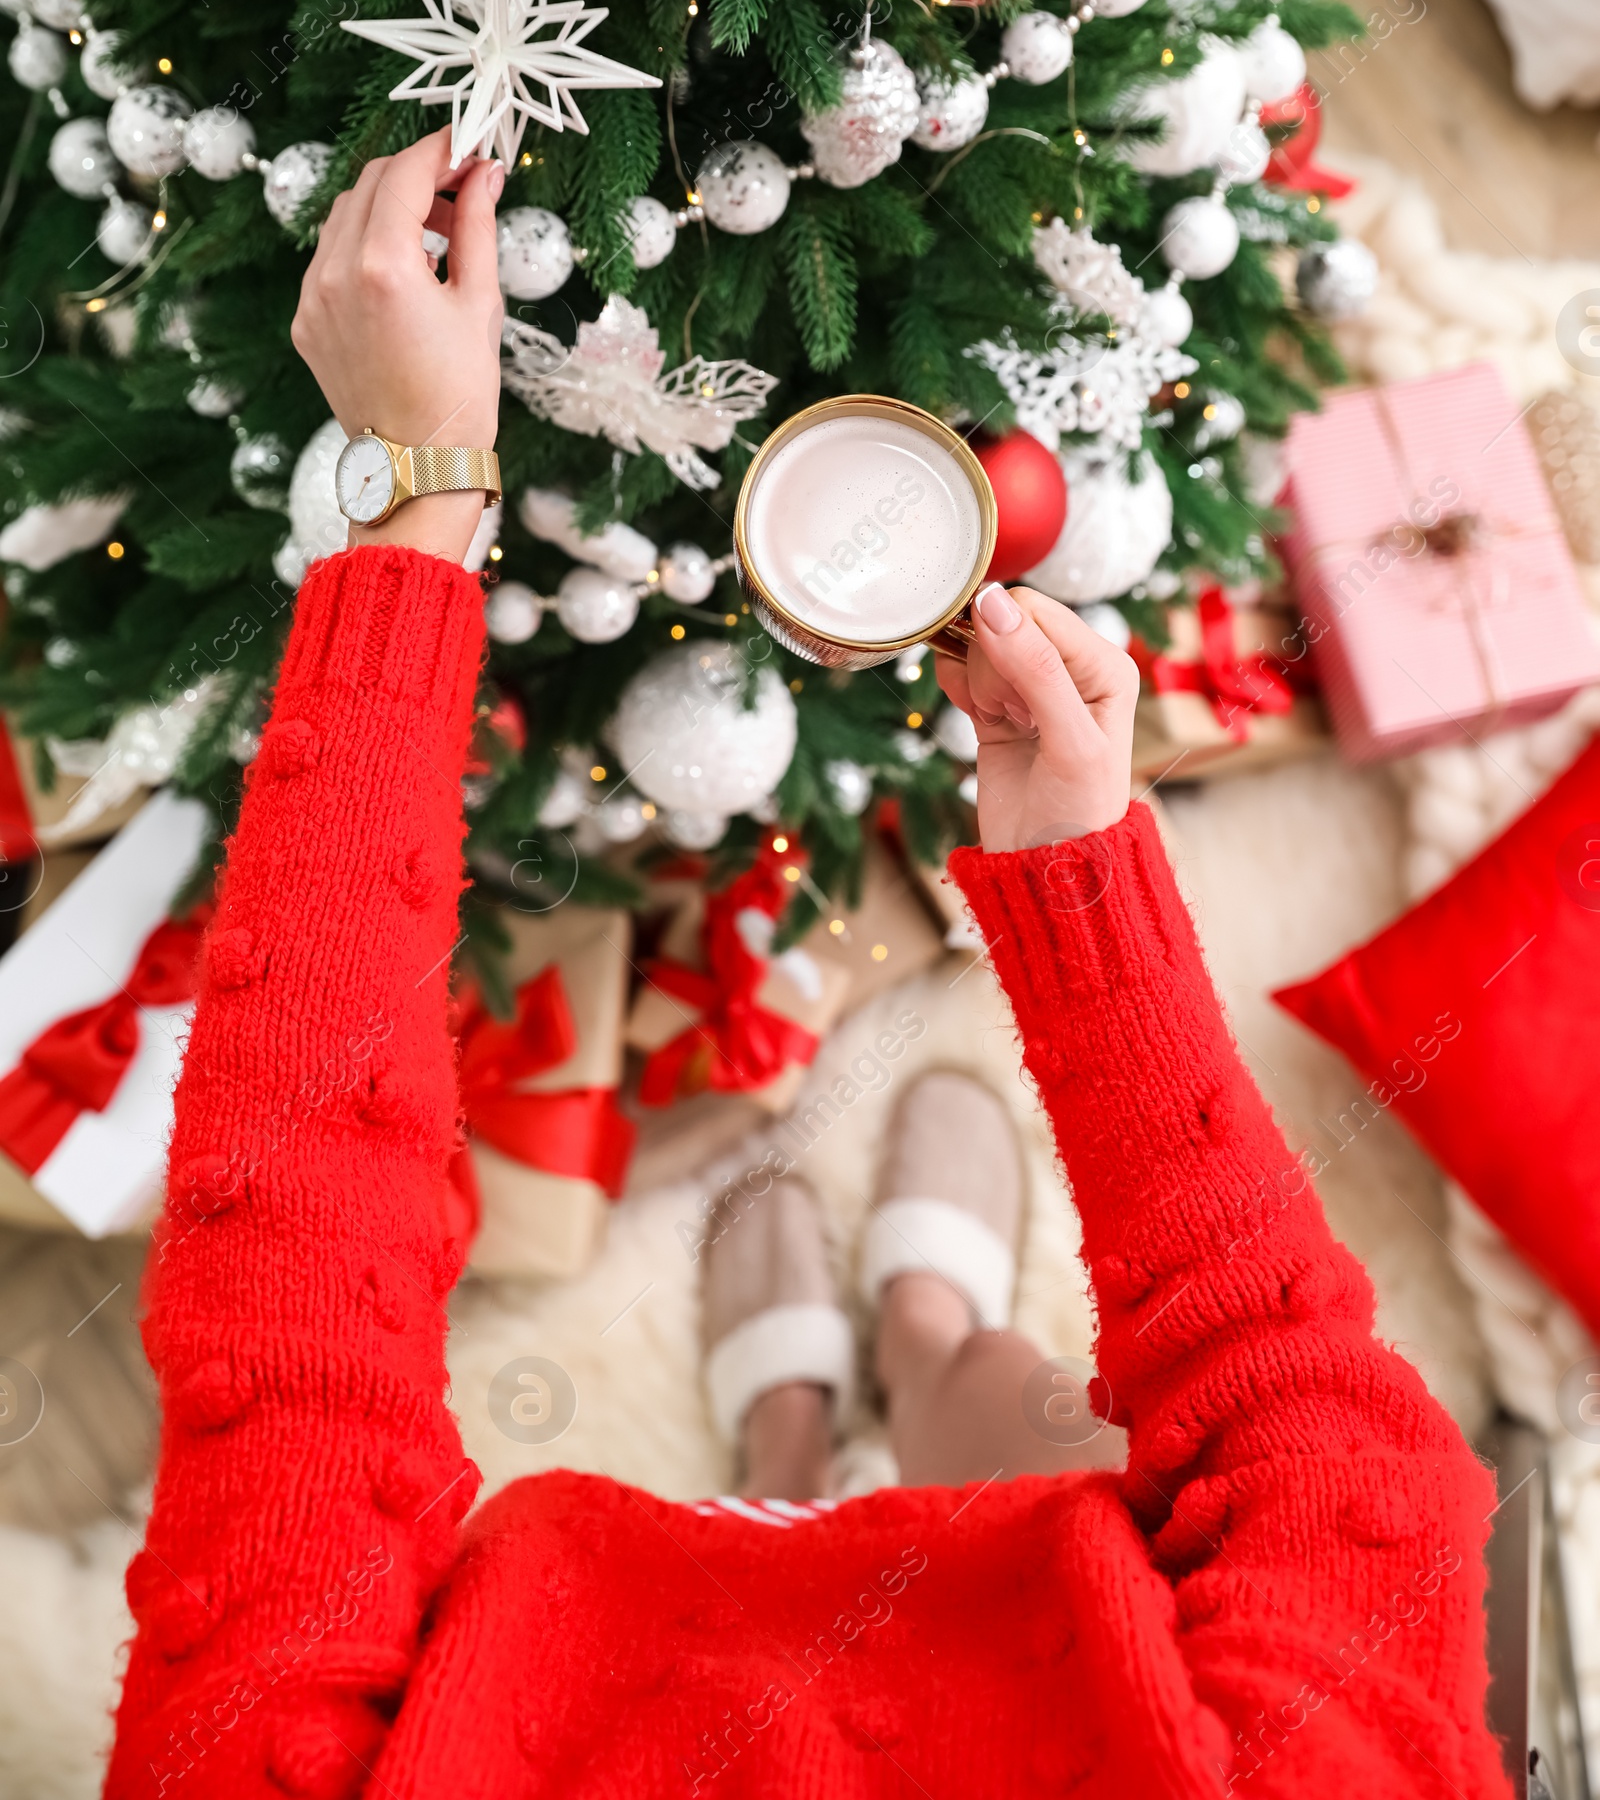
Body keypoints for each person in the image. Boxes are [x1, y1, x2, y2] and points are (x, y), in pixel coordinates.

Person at [106, 131, 1511, 1799]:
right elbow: (1324, 1443)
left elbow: (290, 1341)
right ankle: (918, 1348)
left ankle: (785, 1439)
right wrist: (1077, 887)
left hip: (612, 1629)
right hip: (1030, 1619)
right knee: (999, 1400)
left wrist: (409, 508)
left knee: (928, 1447)